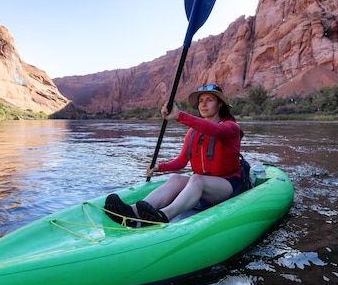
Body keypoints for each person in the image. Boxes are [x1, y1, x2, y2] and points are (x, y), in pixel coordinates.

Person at [105, 84, 245, 227]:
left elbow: (215, 130)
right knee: (176, 178)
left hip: (228, 184)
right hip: (204, 184)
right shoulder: (193, 132)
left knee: (196, 179)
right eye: (201, 100)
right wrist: (159, 167)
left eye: (209, 100)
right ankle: (132, 212)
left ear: (220, 104)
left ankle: (164, 215)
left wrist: (179, 116)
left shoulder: (231, 127)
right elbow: (181, 161)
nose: (203, 104)